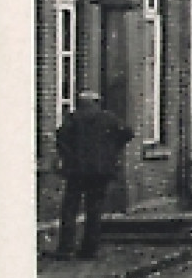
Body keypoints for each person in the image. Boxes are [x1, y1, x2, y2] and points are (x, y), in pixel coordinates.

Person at [54, 90, 134, 260]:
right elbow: (128, 133)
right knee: (94, 210)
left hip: (77, 171)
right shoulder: (108, 118)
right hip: (100, 171)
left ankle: (65, 248)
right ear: (96, 102)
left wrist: (68, 156)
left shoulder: (73, 119)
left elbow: (60, 138)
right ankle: (89, 249)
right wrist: (112, 150)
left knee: (70, 209)